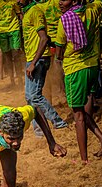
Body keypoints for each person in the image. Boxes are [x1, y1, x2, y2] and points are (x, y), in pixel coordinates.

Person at [56, 0, 102, 162]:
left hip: (75, 70)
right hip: (93, 67)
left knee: (78, 116)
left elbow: (59, 51)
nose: (60, 2)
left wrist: (60, 59)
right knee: (83, 111)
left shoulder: (64, 20)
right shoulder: (93, 10)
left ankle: (84, 160)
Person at [19, 0, 68, 135]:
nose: (18, 1)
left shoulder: (35, 11)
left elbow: (44, 38)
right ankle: (39, 128)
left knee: (34, 96)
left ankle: (57, 121)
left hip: (38, 60)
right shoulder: (28, 12)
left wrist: (34, 62)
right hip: (33, 59)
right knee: (30, 97)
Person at [0, 0, 23, 86]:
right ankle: (12, 80)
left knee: (16, 54)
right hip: (1, 31)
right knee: (7, 56)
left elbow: (19, 14)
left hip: (14, 29)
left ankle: (19, 78)